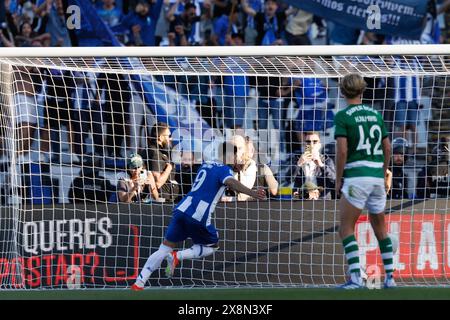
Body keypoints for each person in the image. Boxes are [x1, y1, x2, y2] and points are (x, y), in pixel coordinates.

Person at [130, 142, 266, 290]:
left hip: (181, 208)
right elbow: (231, 182)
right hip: (198, 214)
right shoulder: (224, 170)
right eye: (235, 156)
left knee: (164, 248)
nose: (236, 159)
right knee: (212, 245)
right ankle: (178, 256)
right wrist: (252, 193)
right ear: (229, 155)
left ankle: (139, 283)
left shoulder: (206, 165)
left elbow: (210, 187)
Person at [334, 73, 394, 289]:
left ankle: (357, 279)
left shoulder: (343, 116)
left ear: (342, 91)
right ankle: (391, 279)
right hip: (377, 177)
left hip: (357, 176)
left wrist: (339, 178)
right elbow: (388, 147)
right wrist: (384, 171)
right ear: (362, 90)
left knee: (347, 228)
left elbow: (342, 151)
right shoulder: (375, 114)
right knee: (381, 229)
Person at [141, 122, 180, 202]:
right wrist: (169, 169)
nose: (171, 139)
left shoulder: (161, 151)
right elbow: (158, 183)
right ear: (160, 138)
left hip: (168, 198)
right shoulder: (154, 153)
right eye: (169, 136)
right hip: (161, 201)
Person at [293, 131, 336, 200]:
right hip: (301, 200)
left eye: (315, 142)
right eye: (308, 142)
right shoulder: (297, 159)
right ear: (304, 144)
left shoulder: (327, 160)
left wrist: (321, 165)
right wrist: (299, 164)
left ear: (319, 145)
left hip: (322, 200)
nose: (311, 145)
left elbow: (334, 180)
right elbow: (288, 179)